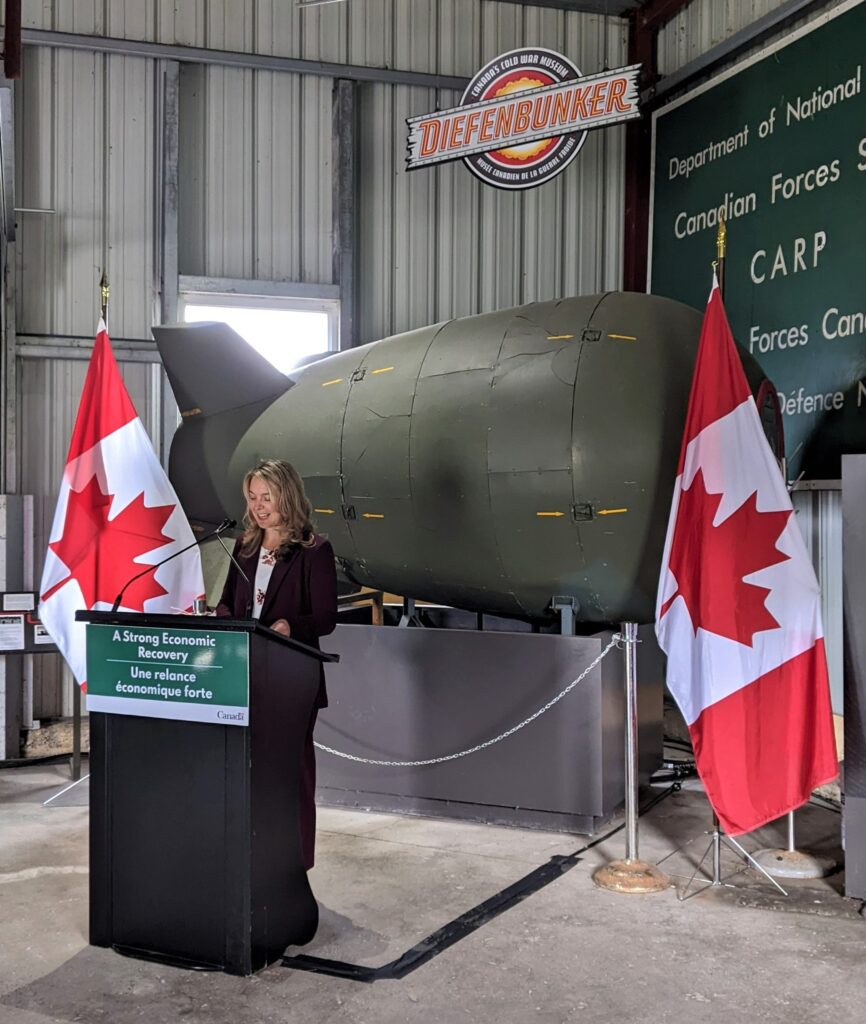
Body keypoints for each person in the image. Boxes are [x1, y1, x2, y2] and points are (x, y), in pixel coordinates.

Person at [215, 459, 337, 870]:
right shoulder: (244, 547)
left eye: (267, 497)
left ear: (288, 496)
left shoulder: (313, 551)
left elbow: (325, 618)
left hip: (292, 679)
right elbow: (230, 602)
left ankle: (295, 861)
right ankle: (251, 857)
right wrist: (224, 616)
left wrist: (289, 625)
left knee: (292, 773)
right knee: (249, 772)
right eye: (252, 498)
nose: (259, 506)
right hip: (244, 675)